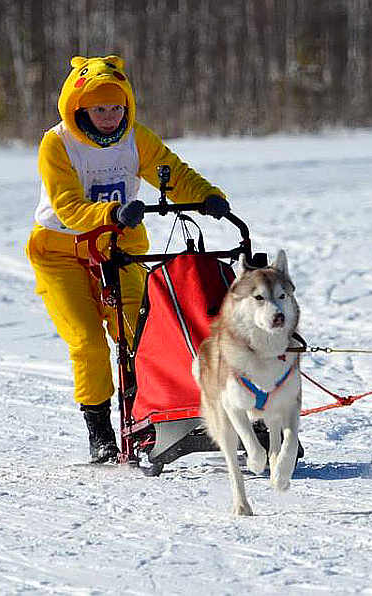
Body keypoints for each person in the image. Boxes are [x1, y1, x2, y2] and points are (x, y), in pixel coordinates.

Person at [26, 55, 230, 463]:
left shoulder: (136, 138)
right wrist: (112, 213)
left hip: (121, 248)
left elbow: (172, 170)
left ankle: (146, 419)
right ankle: (99, 428)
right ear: (79, 107)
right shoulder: (57, 143)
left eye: (117, 108)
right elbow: (68, 205)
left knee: (140, 334)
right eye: (99, 109)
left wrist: (207, 196)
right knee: (88, 342)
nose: (109, 116)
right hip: (60, 251)